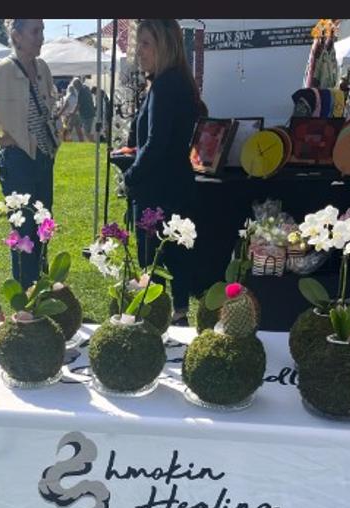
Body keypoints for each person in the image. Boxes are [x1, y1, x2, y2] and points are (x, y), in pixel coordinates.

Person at [0, 19, 60, 289]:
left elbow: (49, 104)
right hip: (17, 161)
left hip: (44, 157)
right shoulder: (1, 71)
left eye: (42, 30)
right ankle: (25, 293)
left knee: (43, 226)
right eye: (35, 31)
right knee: (23, 229)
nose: (41, 37)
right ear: (16, 36)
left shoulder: (42, 67)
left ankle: (41, 287)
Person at [123, 19, 207, 325]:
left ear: (165, 46)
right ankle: (178, 315)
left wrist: (130, 175)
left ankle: (154, 321)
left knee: (154, 261)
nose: (139, 52)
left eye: (146, 44)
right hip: (176, 184)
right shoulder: (180, 82)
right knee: (175, 258)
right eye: (139, 44)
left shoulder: (165, 85)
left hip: (157, 189)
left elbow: (155, 143)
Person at [77, 77, 96, 141]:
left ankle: (92, 143)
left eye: (75, 86)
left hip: (86, 115)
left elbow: (79, 104)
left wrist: (73, 112)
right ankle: (92, 142)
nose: (75, 88)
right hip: (91, 113)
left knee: (86, 132)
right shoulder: (87, 88)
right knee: (89, 131)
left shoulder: (81, 91)